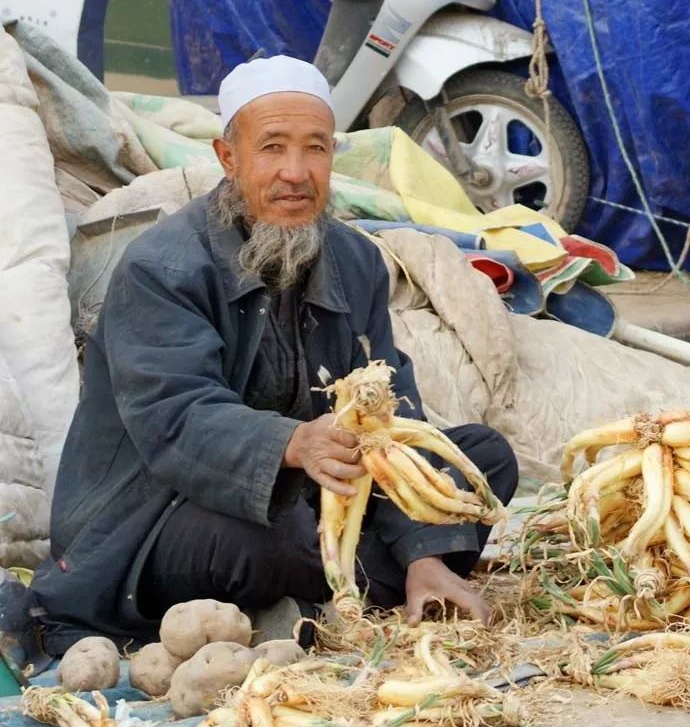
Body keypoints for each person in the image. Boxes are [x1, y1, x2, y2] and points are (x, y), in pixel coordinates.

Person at [30, 56, 518, 655]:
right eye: (271, 148)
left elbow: (393, 421)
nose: (295, 172)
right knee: (268, 541)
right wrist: (294, 443)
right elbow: (177, 420)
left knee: (481, 462)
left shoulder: (356, 260)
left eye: (315, 149)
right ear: (228, 156)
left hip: (318, 494)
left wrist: (424, 549)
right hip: (160, 512)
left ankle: (382, 584)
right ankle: (343, 587)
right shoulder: (163, 268)